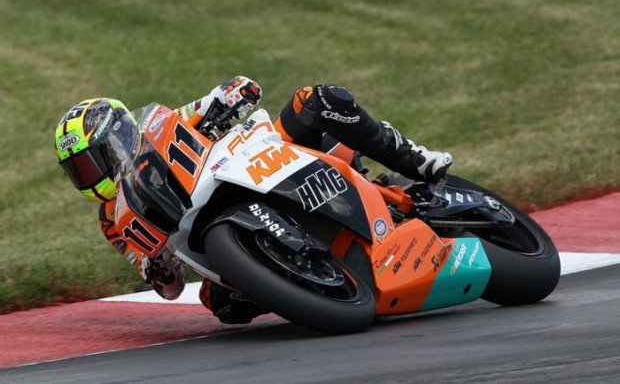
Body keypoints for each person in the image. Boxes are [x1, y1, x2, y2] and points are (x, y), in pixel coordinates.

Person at [54, 76, 452, 324]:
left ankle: (415, 162)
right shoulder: (113, 220)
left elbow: (227, 95)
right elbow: (169, 287)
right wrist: (159, 270)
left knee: (316, 100)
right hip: (206, 229)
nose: (90, 175)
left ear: (119, 135)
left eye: (93, 161)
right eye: (79, 171)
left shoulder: (163, 123)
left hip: (253, 158)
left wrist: (233, 94)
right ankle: (306, 284)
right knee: (223, 306)